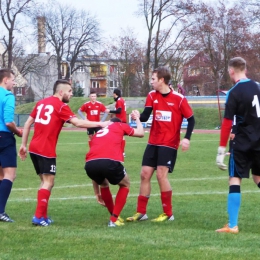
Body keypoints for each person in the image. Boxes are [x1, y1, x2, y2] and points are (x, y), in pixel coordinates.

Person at [19, 79, 109, 227]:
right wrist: (100, 123)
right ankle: (38, 217)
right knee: (48, 182)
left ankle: (43, 216)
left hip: (34, 147)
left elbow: (28, 123)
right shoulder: (61, 106)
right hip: (45, 148)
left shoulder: (41, 103)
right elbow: (78, 123)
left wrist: (23, 145)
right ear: (61, 92)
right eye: (69, 91)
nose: (71, 94)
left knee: (45, 182)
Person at [126, 66, 195, 222]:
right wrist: (137, 116)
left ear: (161, 80)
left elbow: (191, 119)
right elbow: (145, 116)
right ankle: (141, 212)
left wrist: (187, 138)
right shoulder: (152, 95)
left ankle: (168, 214)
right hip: (153, 141)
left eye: (153, 79)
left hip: (169, 143)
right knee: (144, 174)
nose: (151, 82)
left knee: (160, 175)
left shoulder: (179, 99)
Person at [215, 57, 260, 234]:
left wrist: (220, 149)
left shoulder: (234, 92)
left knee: (234, 179)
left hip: (241, 142)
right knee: (258, 178)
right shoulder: (258, 87)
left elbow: (227, 123)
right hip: (259, 140)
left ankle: (232, 225)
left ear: (231, 71)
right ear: (245, 69)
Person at [84, 113, 144, 227]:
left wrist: (97, 193)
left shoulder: (98, 133)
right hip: (109, 161)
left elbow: (96, 163)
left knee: (104, 184)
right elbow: (140, 133)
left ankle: (113, 216)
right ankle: (114, 219)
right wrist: (137, 120)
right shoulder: (119, 125)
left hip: (89, 164)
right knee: (125, 184)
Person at [0, 69, 23, 223]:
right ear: (5, 79)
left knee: (1, 176)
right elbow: (8, 121)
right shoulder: (8, 96)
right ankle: (0, 211)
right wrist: (18, 132)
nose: (14, 83)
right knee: (9, 175)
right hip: (4, 137)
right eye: (13, 80)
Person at [108, 89, 127, 156]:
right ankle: (121, 151)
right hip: (122, 119)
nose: (113, 95)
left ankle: (122, 152)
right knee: (120, 136)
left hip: (120, 120)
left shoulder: (119, 100)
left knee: (119, 136)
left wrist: (110, 111)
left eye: (113, 94)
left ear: (115, 94)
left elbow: (119, 111)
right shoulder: (122, 99)